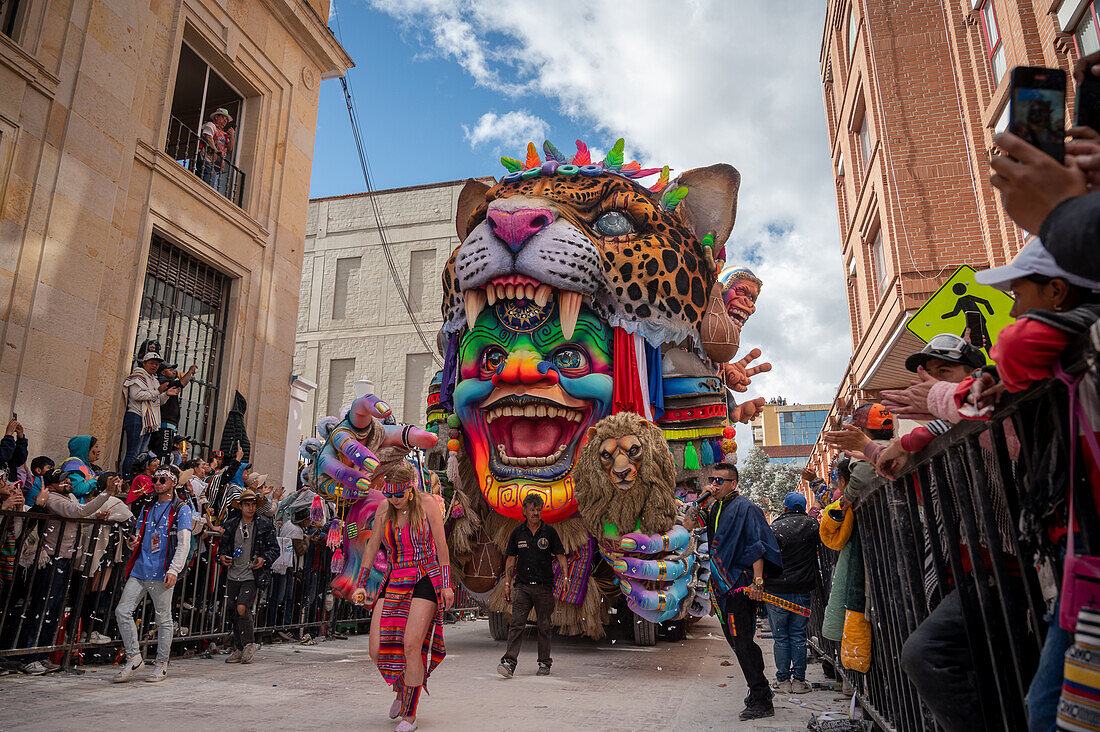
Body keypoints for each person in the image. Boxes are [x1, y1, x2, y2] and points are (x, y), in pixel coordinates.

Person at [360, 462, 455, 732]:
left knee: (411, 645)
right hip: (394, 575)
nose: (394, 500)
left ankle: (410, 714)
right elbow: (372, 545)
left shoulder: (428, 505)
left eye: (399, 495)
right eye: (389, 495)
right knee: (376, 649)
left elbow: (441, 545)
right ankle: (401, 689)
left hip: (425, 576)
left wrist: (447, 586)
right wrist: (361, 582)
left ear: (410, 490)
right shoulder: (384, 508)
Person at [685, 462, 782, 720]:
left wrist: (758, 582)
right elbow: (687, 525)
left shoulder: (745, 508)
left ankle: (761, 697)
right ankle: (759, 689)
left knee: (742, 641)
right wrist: (697, 504)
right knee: (737, 642)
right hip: (722, 587)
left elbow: (757, 545)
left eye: (720, 481)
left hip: (740, 585)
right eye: (712, 480)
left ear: (733, 484)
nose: (714, 484)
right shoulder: (715, 507)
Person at [18, 469, 123, 674]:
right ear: (51, 485)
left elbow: (82, 510)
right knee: (42, 608)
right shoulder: (52, 499)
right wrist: (106, 494)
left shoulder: (70, 496)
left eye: (67, 478)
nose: (67, 481)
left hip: (65, 561)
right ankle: (28, 656)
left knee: (55, 609)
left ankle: (44, 654)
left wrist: (97, 514)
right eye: (61, 480)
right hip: (50, 561)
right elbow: (77, 512)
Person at [113, 467, 193, 683]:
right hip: (140, 568)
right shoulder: (148, 507)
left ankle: (161, 663)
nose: (157, 483)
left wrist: (174, 569)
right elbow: (138, 536)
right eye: (155, 479)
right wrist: (133, 543)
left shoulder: (180, 508)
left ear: (173, 483)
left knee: (163, 618)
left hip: (162, 571)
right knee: (122, 611)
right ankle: (134, 657)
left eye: (162, 479)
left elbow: (184, 542)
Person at [498, 493, 568, 679]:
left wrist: (566, 579)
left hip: (544, 587)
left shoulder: (550, 532)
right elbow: (511, 559)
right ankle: (509, 662)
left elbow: (561, 556)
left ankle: (544, 662)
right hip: (522, 587)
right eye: (532, 510)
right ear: (524, 511)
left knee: (544, 625)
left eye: (538, 509)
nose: (536, 513)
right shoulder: (517, 533)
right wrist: (507, 584)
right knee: (517, 624)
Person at [765, 491, 820, 695]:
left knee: (780, 637)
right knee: (798, 635)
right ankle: (799, 680)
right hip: (802, 589)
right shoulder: (813, 526)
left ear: (786, 507)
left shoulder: (775, 528)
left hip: (776, 590)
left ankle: (783, 681)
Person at [217, 488, 278, 664]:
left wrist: (263, 559)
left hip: (251, 573)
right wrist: (222, 557)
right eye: (247, 505)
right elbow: (223, 547)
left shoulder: (264, 525)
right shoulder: (232, 524)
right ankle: (239, 646)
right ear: (241, 506)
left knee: (242, 607)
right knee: (231, 609)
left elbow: (274, 549)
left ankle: (249, 643)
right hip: (232, 573)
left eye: (253, 505)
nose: (250, 508)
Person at [121, 351, 178, 477]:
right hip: (136, 416)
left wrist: (166, 395)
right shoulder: (138, 375)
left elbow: (157, 401)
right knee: (133, 452)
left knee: (141, 454)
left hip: (149, 420)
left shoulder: (154, 380)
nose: (154, 366)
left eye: (157, 365)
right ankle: (126, 479)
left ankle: (136, 479)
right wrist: (157, 391)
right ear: (144, 363)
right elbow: (136, 395)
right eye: (152, 363)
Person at [198, 108, 235, 194]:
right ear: (216, 117)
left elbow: (229, 148)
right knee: (211, 175)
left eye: (226, 120)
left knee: (211, 176)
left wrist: (232, 136)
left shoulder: (224, 134)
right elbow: (208, 137)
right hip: (206, 158)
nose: (225, 121)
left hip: (215, 163)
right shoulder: (211, 125)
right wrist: (216, 150)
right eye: (223, 118)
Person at [59, 435, 101, 502]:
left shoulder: (85, 465)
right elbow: (76, 489)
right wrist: (96, 480)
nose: (99, 451)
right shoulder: (74, 465)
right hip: (76, 507)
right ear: (85, 449)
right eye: (96, 447)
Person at [0, 416, 27, 482]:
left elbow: (19, 460)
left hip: (9, 484)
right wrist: (8, 435)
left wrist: (21, 438)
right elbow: (3, 456)